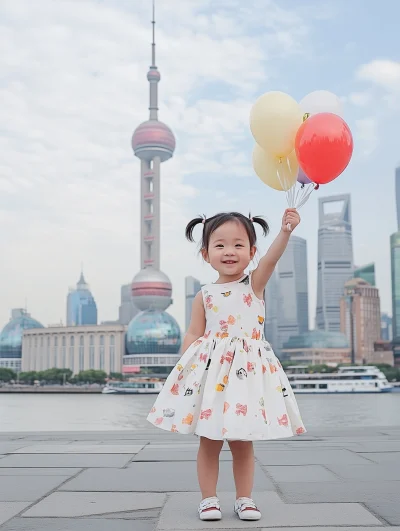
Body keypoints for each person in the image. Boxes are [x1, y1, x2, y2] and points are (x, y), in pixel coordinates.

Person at [147, 210, 306, 522]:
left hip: (245, 377)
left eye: (238, 245)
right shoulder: (204, 295)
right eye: (220, 246)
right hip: (212, 376)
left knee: (242, 441)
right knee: (209, 439)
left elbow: (272, 261)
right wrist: (182, 372)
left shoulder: (254, 285)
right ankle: (208, 499)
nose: (229, 252)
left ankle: (244, 499)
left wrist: (285, 231)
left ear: (251, 253)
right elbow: (194, 333)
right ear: (206, 254)